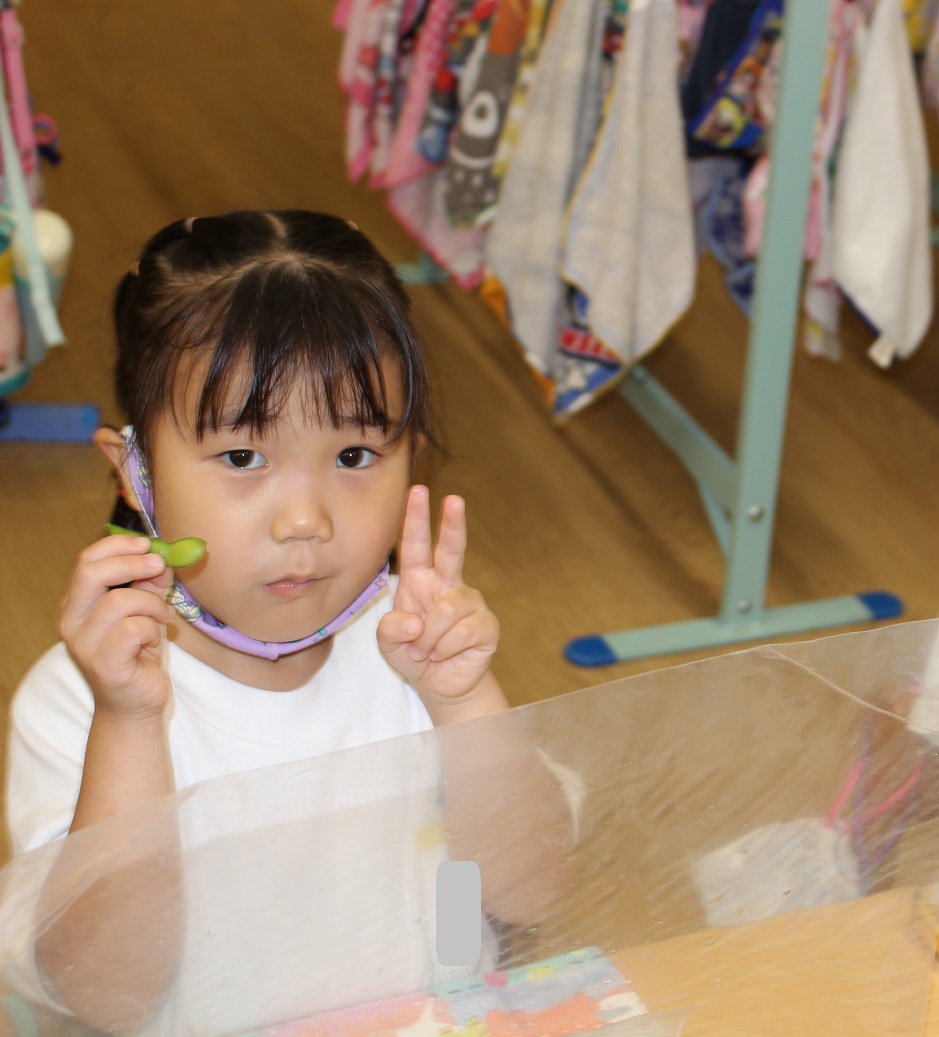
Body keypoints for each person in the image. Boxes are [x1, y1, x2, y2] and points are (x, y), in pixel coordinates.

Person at [3, 211, 573, 1032]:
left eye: (355, 456)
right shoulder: (80, 701)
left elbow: (530, 891)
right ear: (135, 473)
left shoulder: (414, 643)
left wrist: (463, 700)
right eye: (243, 457)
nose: (304, 519)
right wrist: (129, 723)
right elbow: (105, 994)